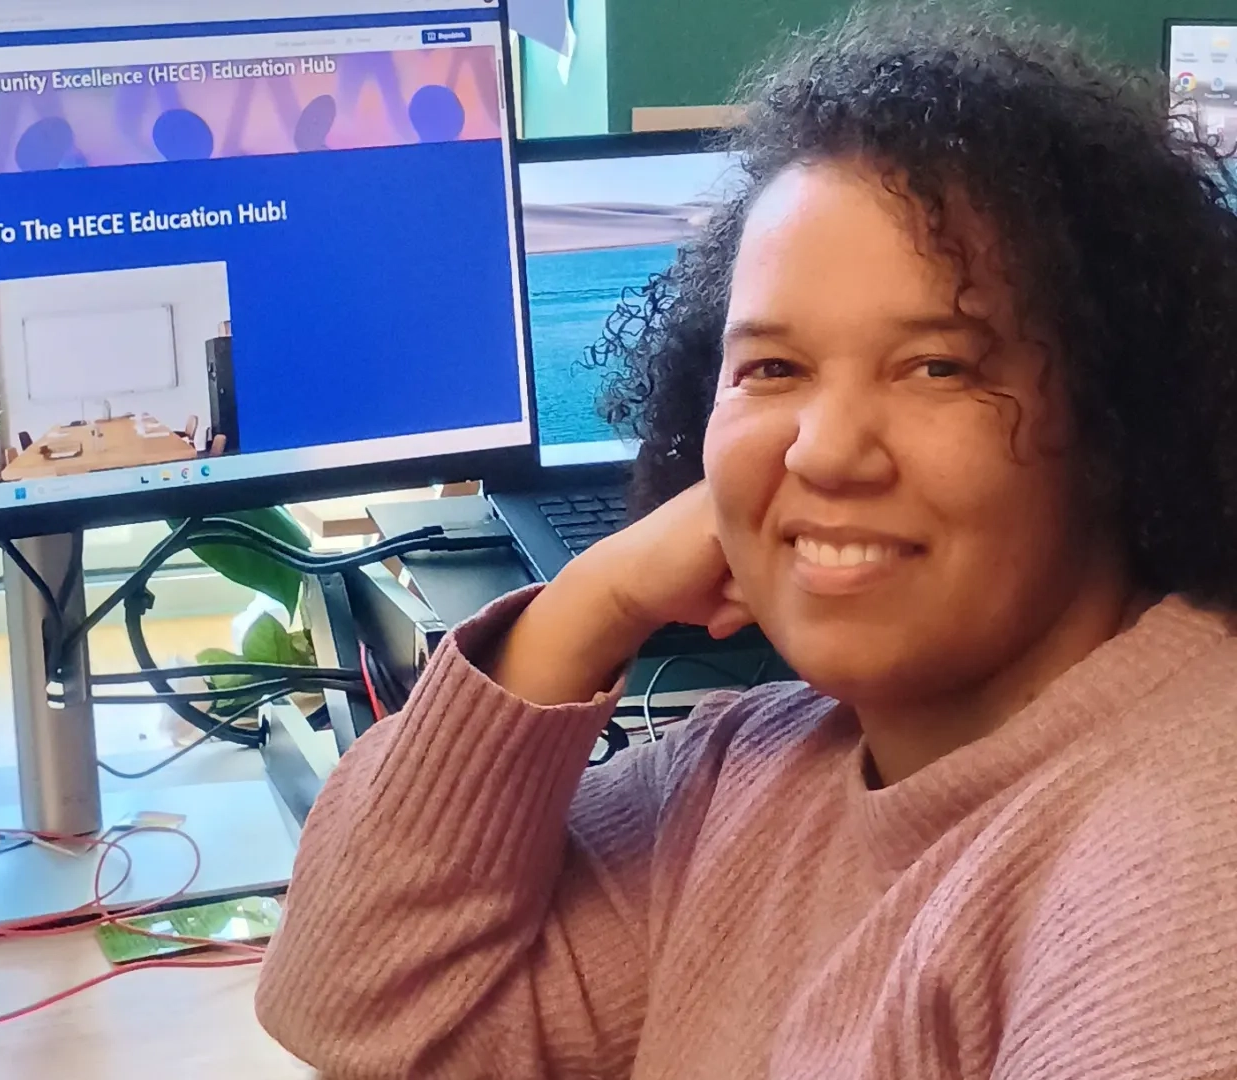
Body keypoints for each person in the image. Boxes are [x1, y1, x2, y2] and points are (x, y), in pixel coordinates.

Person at [255, 4, 1237, 1077]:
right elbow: (357, 1005)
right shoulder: (753, 775)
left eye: (937, 366)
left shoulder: (1185, 864)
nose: (823, 452)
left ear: (1121, 410)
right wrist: (593, 600)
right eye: (772, 369)